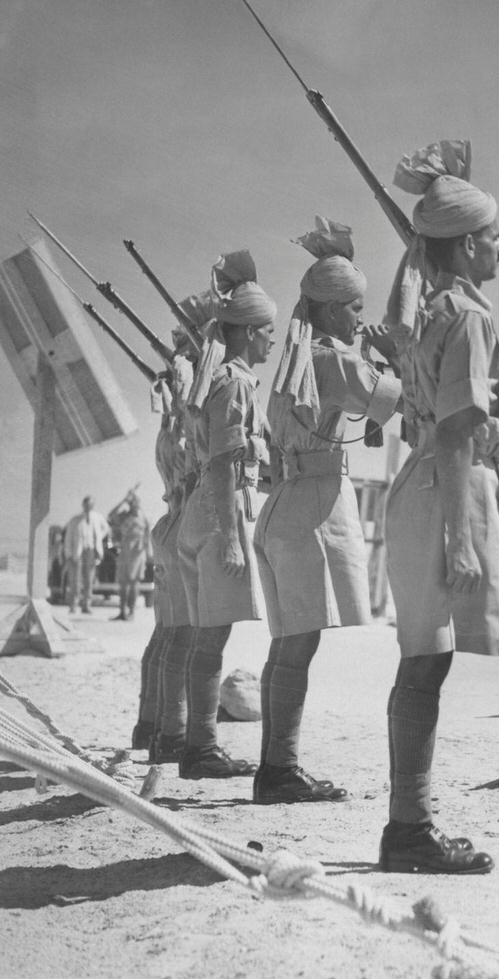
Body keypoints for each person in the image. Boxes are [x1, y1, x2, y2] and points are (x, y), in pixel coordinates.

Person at [379, 140, 499, 875]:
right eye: (495, 235)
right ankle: (409, 828)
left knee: (420, 665)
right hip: (445, 490)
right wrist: (462, 540)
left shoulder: (435, 307)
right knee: (426, 668)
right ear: (468, 245)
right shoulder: (467, 317)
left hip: (419, 485)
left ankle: (408, 823)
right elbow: (459, 428)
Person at [253, 218, 403, 804]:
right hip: (312, 508)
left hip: (286, 504)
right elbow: (390, 399)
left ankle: (275, 767)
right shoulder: (333, 361)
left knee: (289, 643)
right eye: (354, 309)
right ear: (330, 309)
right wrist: (389, 357)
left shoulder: (298, 358)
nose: (360, 320)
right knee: (299, 645)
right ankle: (279, 771)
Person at [174, 251, 276, 780]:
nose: (272, 341)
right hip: (220, 517)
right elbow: (221, 465)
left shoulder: (221, 379)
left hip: (202, 516)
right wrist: (234, 539)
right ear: (248, 333)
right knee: (212, 640)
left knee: (203, 638)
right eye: (267, 332)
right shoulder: (235, 382)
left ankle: (197, 745)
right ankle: (202, 750)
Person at [149, 293, 216, 763]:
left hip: (172, 519)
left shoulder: (173, 418)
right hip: (188, 516)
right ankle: (174, 736)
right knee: (190, 635)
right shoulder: (187, 414)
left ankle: (154, 727)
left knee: (172, 634)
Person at [108, 490, 152, 621]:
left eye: (135, 502)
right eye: (131, 502)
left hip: (138, 553)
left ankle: (131, 611)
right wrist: (123, 500)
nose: (133, 505)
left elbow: (147, 535)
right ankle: (122, 611)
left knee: (134, 583)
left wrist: (147, 552)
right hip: (125, 551)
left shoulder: (143, 517)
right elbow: (111, 515)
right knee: (122, 583)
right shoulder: (124, 516)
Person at [63, 495, 109, 614]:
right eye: (86, 505)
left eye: (91, 505)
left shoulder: (98, 517)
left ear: (93, 506)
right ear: (83, 505)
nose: (88, 507)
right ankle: (73, 605)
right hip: (78, 553)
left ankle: (86, 605)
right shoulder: (75, 520)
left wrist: (98, 537)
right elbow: (68, 538)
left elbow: (106, 529)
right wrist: (68, 554)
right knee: (75, 580)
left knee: (89, 580)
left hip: (91, 551)